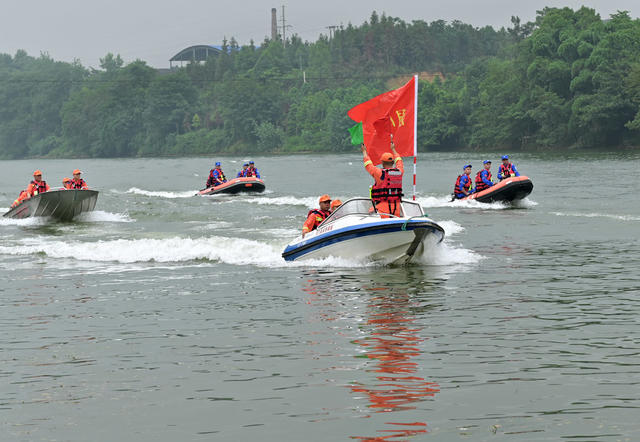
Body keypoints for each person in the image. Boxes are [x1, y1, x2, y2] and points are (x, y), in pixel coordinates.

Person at [361, 137, 404, 217]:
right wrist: (394, 150)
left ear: (382, 162)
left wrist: (364, 152)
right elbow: (399, 161)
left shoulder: (380, 173)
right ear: (393, 162)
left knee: (368, 213)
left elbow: (368, 165)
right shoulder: (399, 172)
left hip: (382, 210)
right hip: (396, 209)